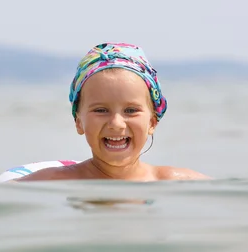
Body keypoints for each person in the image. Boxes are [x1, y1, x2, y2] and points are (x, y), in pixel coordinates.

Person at [15, 42, 209, 182]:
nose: (116, 123)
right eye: (101, 110)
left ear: (152, 122)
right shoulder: (52, 181)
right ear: (78, 122)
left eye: (131, 110)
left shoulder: (177, 182)